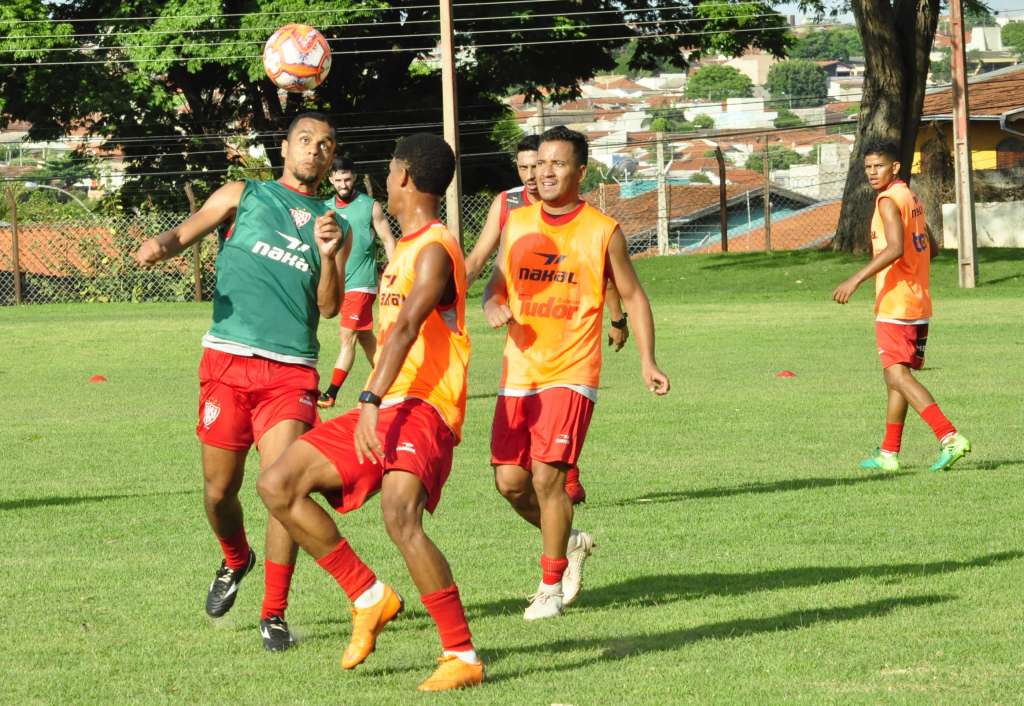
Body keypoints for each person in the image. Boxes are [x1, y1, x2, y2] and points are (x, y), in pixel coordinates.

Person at [257, 133, 484, 692]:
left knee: (401, 517)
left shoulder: (434, 247)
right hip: (388, 406)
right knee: (278, 483)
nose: (384, 180)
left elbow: (406, 329)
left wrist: (366, 401)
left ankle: (461, 655)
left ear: (404, 176)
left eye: (389, 171)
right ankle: (368, 594)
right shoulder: (404, 247)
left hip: (424, 407)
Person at [134, 112, 351, 652]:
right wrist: (160, 246)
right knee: (218, 491)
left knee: (284, 487)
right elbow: (184, 232)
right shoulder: (243, 194)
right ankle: (236, 558)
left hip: (290, 370)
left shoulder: (333, 222)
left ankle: (273, 613)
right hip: (227, 363)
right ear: (284, 148)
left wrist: (328, 255)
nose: (315, 151)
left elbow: (328, 307)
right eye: (305, 141)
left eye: (325, 145)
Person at [483, 125, 671, 620]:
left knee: (548, 477)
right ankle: (570, 542)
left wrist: (647, 360)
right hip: (518, 371)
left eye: (559, 163)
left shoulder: (602, 231)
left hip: (571, 370)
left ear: (580, 171)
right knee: (510, 483)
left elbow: (632, 295)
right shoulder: (517, 223)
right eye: (541, 162)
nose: (546, 171)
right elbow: (494, 285)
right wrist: (493, 304)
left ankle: (549, 588)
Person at [465, 133, 631, 505]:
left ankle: (564, 472)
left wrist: (617, 318)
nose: (532, 174)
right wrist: (455, 299)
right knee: (511, 478)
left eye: (541, 164)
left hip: (570, 358)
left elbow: (598, 273)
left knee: (548, 470)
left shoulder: (584, 217)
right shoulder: (510, 208)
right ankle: (563, 509)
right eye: (527, 166)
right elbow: (479, 262)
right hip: (523, 361)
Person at [832, 138, 970, 472]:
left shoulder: (888, 201)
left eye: (878, 166)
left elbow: (894, 247)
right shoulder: (910, 196)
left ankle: (949, 437)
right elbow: (931, 247)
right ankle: (889, 453)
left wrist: (855, 279)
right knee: (895, 376)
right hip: (918, 301)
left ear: (895, 167)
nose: (871, 172)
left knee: (897, 375)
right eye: (867, 167)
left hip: (896, 303)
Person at [318, 156, 397, 409]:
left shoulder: (370, 206)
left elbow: (387, 240)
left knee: (347, 337)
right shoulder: (324, 208)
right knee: (365, 338)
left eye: (347, 179)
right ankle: (394, 384)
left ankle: (330, 393)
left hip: (362, 284)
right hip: (337, 283)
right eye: (338, 180)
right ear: (331, 179)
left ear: (354, 178)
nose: (343, 184)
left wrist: (392, 273)